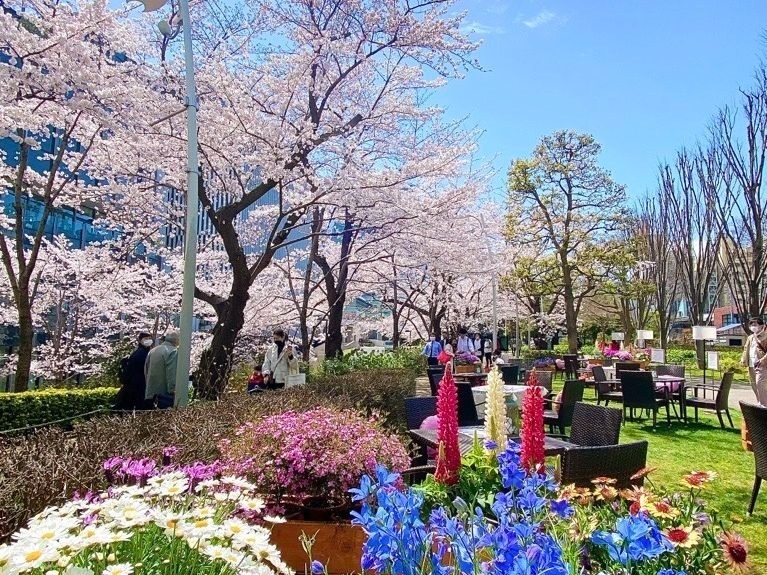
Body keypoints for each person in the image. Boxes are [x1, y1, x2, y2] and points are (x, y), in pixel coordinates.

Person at [115, 332, 153, 410]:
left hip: (133, 386)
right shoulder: (142, 353)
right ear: (140, 340)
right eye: (146, 339)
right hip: (138, 386)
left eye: (149, 339)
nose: (148, 340)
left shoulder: (138, 352)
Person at [144, 330, 179, 409]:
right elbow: (172, 374)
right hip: (163, 397)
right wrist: (173, 392)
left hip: (149, 393)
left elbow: (146, 370)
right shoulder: (173, 351)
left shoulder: (152, 351)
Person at [742, 317, 767, 406]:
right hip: (751, 364)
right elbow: (746, 349)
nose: (753, 326)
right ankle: (759, 402)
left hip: (762, 364)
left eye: (755, 324)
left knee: (759, 383)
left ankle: (764, 405)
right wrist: (744, 360)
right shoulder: (750, 337)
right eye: (751, 325)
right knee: (753, 384)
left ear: (762, 326)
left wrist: (763, 360)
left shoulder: (765, 335)